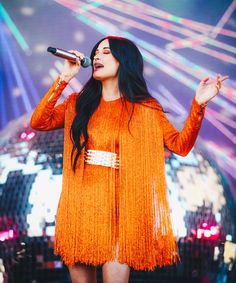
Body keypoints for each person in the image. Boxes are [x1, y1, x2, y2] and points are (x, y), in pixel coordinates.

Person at [30, 36, 228, 283]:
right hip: (80, 208)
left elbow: (181, 145)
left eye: (106, 52)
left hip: (121, 213)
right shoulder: (78, 104)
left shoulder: (145, 109)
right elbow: (39, 121)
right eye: (96, 52)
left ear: (124, 61)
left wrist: (198, 105)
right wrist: (64, 79)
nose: (97, 57)